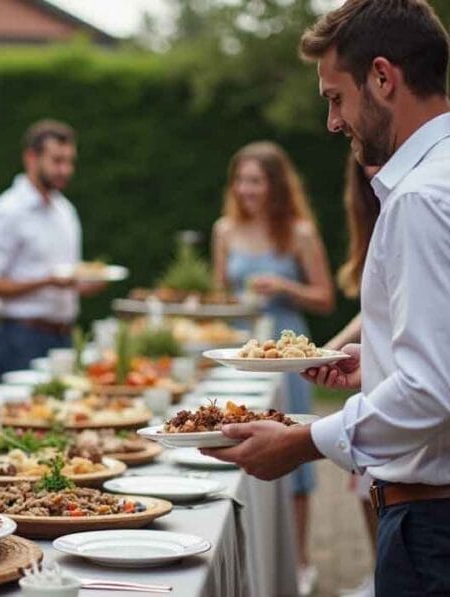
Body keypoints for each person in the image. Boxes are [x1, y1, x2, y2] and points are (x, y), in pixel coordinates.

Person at [204, 1, 450, 594]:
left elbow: (432, 389)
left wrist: (303, 442)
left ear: (383, 78)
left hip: (432, 526)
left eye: (336, 98)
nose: (333, 123)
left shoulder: (419, 199)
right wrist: (380, 359)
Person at [210, 140, 335, 595]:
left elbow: (325, 297)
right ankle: (252, 558)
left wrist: (285, 286)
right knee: (243, 441)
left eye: (256, 180)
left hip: (284, 350)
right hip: (243, 351)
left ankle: (299, 562)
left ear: (276, 185)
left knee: (294, 449)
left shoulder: (298, 232)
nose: (246, 189)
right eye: (240, 180)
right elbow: (219, 296)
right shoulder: (224, 230)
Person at [0, 119, 104, 380]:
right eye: (57, 161)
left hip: (65, 336)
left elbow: (66, 276)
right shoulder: (7, 212)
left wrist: (85, 284)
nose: (66, 169)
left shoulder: (65, 210)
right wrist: (47, 282)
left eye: (69, 161)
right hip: (21, 337)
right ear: (31, 158)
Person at [326, 154, 381, 597]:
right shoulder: (374, 211)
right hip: (374, 368)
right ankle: (380, 571)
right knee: (365, 481)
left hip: (390, 380)